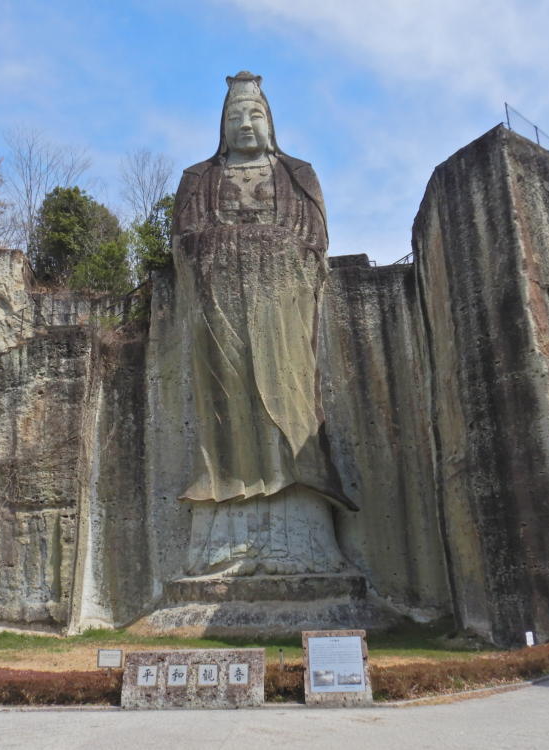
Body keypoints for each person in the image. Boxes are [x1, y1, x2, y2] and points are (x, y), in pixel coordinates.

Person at [172, 71, 357, 577]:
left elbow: (314, 244)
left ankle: (302, 535)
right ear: (221, 125)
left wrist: (271, 251)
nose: (245, 124)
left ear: (270, 122)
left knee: (292, 407)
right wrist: (225, 249)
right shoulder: (199, 179)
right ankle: (224, 536)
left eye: (255, 114)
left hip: (282, 310)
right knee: (225, 411)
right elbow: (184, 243)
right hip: (220, 308)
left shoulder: (297, 174)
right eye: (235, 116)